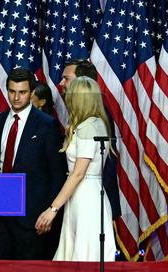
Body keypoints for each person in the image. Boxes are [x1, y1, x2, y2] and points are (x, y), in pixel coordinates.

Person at [0, 68, 67, 260]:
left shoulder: (47, 125)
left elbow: (56, 173)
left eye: (22, 92)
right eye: (12, 91)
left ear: (31, 92)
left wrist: (49, 212)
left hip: (31, 219)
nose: (16, 97)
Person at [35, 76, 117, 261]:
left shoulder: (89, 127)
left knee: (84, 253)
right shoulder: (90, 124)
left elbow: (79, 173)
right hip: (80, 196)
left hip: (86, 198)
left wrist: (53, 209)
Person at [60, 59, 121, 222]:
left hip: (91, 203)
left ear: (83, 82)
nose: (61, 83)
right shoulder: (83, 117)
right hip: (80, 200)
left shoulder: (93, 121)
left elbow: (90, 170)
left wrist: (53, 208)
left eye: (67, 78)